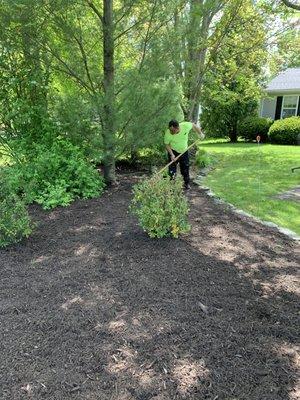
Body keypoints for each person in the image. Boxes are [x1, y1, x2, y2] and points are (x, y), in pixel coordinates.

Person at [164, 119, 205, 189]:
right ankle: (171, 186)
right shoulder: (168, 133)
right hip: (173, 151)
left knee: (185, 168)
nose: (171, 132)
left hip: (184, 151)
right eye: (170, 130)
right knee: (172, 169)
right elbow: (167, 144)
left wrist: (200, 133)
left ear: (178, 128)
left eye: (173, 131)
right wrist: (171, 155)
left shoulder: (185, 126)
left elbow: (193, 125)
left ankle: (186, 183)